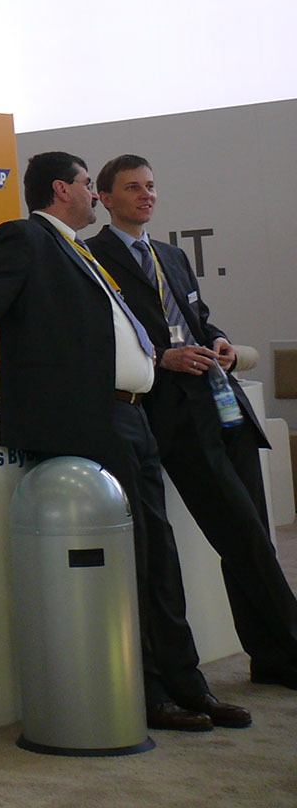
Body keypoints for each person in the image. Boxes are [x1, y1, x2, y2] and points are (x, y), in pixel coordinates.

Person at [0, 152, 249, 732]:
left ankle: (189, 686)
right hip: (90, 420)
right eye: (89, 184)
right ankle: (148, 694)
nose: (95, 194)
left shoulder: (80, 250)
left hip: (133, 418)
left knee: (160, 558)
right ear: (62, 189)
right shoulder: (26, 237)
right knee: (133, 563)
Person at [85, 155, 297, 689]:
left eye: (151, 186)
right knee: (243, 535)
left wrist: (219, 341)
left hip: (224, 405)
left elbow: (198, 318)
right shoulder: (92, 258)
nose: (146, 195)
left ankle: (271, 656)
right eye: (133, 187)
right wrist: (162, 357)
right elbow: (100, 339)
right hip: (174, 416)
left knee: (253, 537)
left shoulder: (171, 255)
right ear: (105, 198)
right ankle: (292, 646)